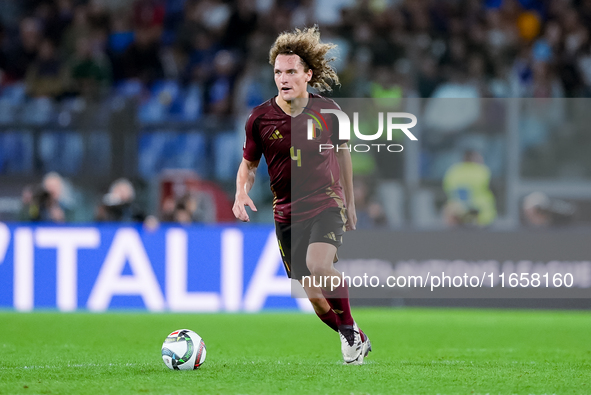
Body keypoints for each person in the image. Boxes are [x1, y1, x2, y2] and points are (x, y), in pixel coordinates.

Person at [232, 26, 371, 365]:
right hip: (286, 212)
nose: (283, 78)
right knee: (315, 297)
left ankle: (350, 331)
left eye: (291, 71)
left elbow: (343, 156)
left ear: (307, 74)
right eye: (278, 72)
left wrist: (350, 203)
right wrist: (240, 193)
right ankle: (354, 336)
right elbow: (248, 165)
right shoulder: (259, 118)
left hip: (326, 201)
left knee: (318, 265)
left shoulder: (329, 112)